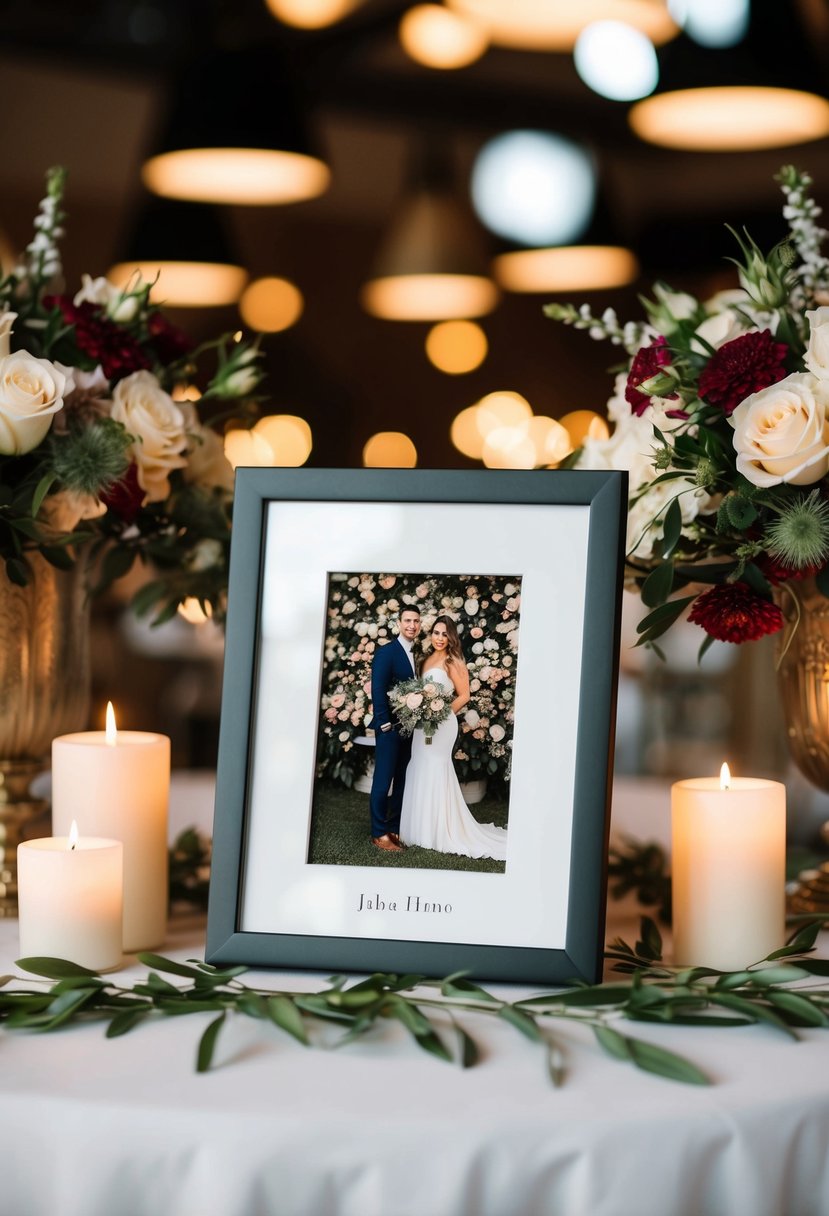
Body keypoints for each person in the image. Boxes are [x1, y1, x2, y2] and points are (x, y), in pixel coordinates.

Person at [399, 615, 508, 861]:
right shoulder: (425, 659)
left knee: (436, 767)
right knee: (419, 765)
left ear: (451, 637)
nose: (439, 638)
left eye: (444, 634)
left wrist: (440, 712)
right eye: (436, 633)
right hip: (421, 724)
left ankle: (439, 831)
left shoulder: (454, 660)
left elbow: (464, 695)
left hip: (441, 723)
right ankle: (419, 830)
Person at [367, 606, 421, 852]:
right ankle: (379, 833)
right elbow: (377, 688)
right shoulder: (387, 652)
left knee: (402, 779)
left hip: (409, 729)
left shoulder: (418, 654)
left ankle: (394, 827)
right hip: (389, 728)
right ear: (399, 622)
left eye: (416, 621)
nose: (412, 625)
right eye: (408, 620)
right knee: (383, 780)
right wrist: (384, 722)